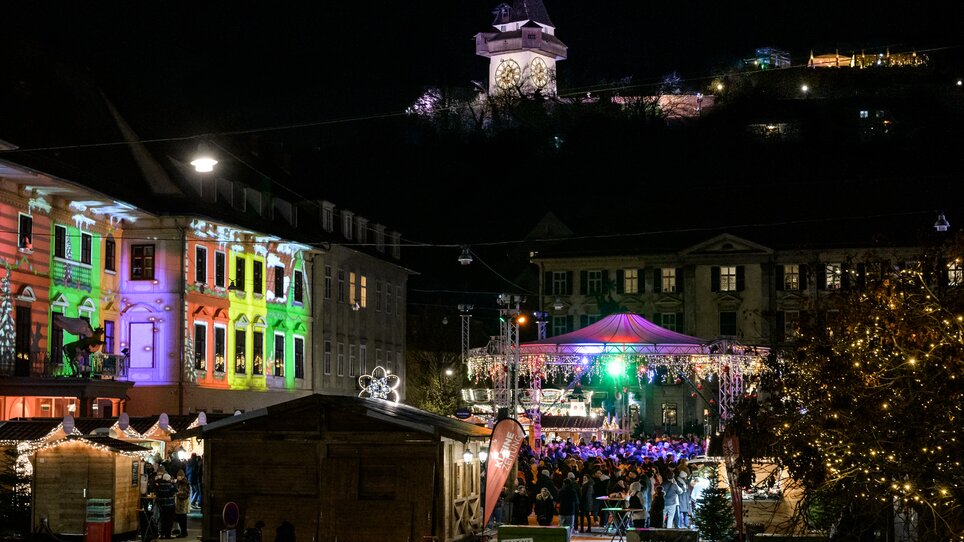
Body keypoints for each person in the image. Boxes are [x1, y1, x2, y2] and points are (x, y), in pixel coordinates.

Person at [154, 473, 177, 538]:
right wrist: (174, 483)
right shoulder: (170, 485)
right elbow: (175, 491)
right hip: (170, 505)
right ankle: (168, 534)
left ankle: (162, 534)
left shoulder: (160, 486)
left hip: (162, 506)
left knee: (163, 520)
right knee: (169, 520)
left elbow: (158, 494)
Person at [174, 469, 191, 537]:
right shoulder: (178, 483)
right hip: (178, 504)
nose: (178, 477)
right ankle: (182, 531)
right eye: (177, 476)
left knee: (183, 519)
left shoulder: (185, 483)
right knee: (179, 518)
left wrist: (178, 494)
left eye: (179, 476)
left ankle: (184, 532)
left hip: (183, 504)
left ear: (182, 476)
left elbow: (186, 494)